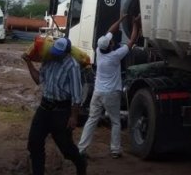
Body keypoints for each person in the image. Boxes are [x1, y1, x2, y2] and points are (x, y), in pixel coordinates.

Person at [77, 14, 140, 159]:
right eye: (110, 41)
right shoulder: (115, 56)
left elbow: (110, 32)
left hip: (98, 92)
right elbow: (132, 41)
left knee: (92, 120)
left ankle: (81, 149)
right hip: (111, 94)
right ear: (110, 45)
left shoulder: (99, 52)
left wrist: (120, 19)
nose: (111, 40)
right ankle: (115, 150)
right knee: (115, 122)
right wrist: (136, 24)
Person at [22, 37, 87, 175]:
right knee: (34, 143)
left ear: (67, 52)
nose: (55, 54)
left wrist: (73, 117)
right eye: (54, 51)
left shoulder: (72, 66)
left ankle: (80, 163)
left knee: (66, 148)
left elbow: (76, 95)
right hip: (44, 109)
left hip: (61, 112)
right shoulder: (49, 60)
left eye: (59, 52)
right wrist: (29, 63)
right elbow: (39, 80)